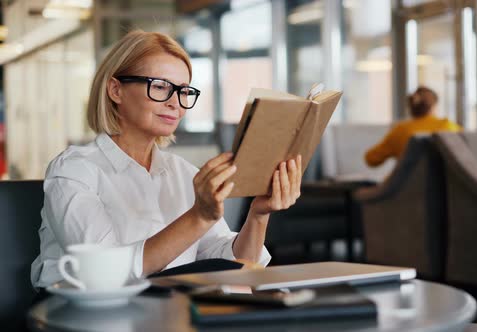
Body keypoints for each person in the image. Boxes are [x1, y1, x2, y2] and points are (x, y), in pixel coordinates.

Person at [31, 30, 303, 288]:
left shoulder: (183, 173)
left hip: (167, 309)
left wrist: (258, 214)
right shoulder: (75, 169)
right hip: (80, 314)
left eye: (183, 91)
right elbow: (105, 273)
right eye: (160, 87)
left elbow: (236, 265)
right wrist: (199, 216)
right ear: (116, 90)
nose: (175, 102)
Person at [364, 86, 461, 167]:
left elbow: (371, 160)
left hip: (404, 187)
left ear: (410, 107)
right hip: (442, 188)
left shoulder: (401, 130)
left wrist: (393, 142)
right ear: (434, 106)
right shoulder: (448, 126)